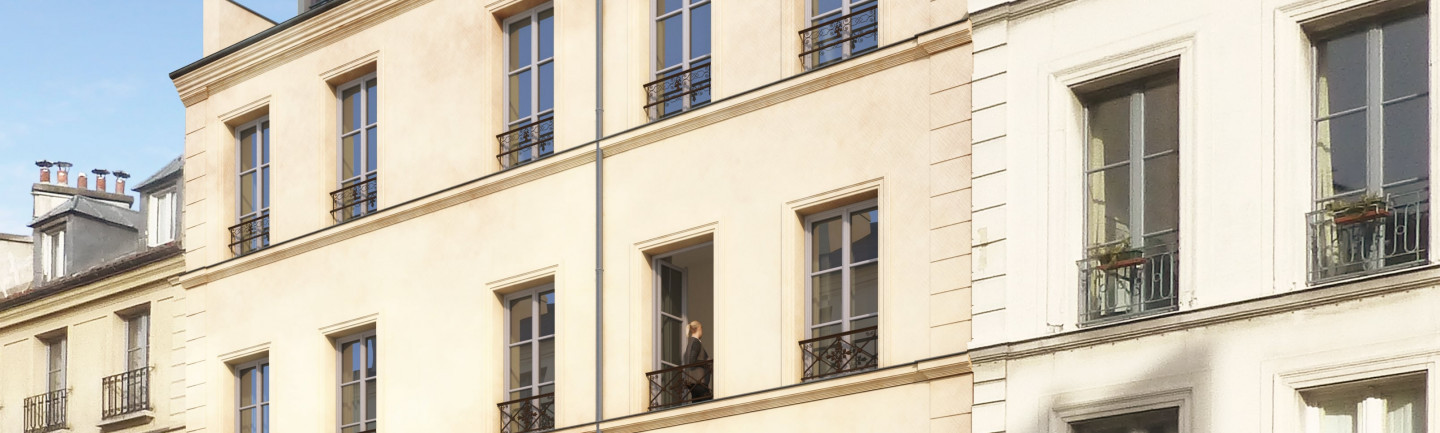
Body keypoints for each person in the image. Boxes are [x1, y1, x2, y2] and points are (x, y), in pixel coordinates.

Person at [682, 320, 712, 402]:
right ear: (699, 328)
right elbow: (692, 360)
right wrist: (705, 363)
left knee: (697, 402)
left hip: (694, 381)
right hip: (698, 381)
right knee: (707, 401)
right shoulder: (695, 342)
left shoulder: (692, 342)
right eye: (701, 328)